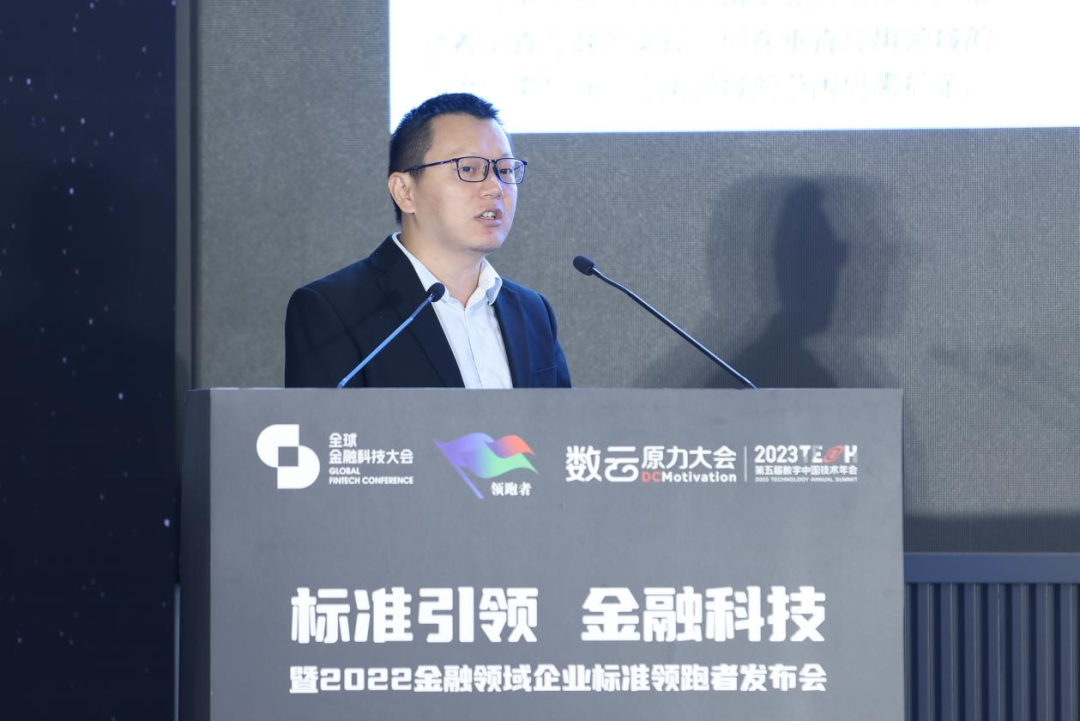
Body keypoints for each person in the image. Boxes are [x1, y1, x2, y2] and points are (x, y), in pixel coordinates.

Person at [284, 93, 571, 389]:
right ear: (404, 191)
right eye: (468, 169)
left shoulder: (533, 312)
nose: (495, 187)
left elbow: (562, 418)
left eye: (505, 170)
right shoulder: (335, 310)